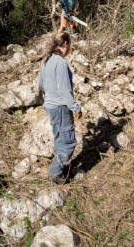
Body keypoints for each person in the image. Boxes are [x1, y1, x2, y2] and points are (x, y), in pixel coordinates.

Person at [38, 31, 82, 184]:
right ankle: (55, 172)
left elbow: (41, 84)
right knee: (69, 141)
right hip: (61, 107)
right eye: (70, 45)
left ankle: (58, 166)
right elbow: (65, 91)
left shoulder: (45, 60)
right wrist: (76, 108)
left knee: (59, 139)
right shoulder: (61, 63)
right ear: (66, 44)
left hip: (50, 106)